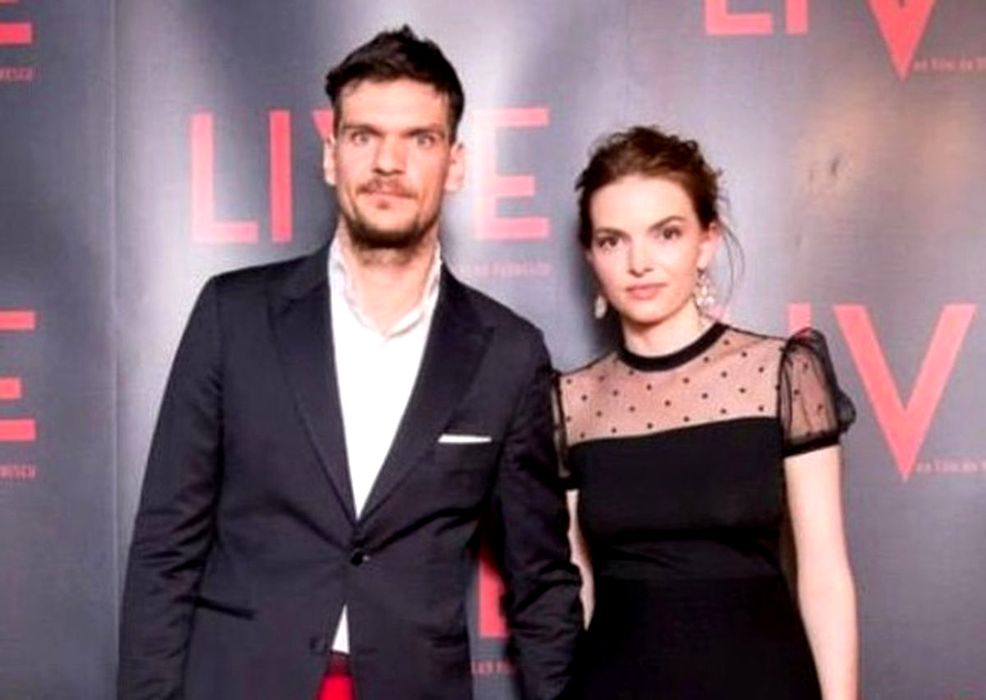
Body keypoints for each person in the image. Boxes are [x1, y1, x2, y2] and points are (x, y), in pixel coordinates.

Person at [118, 26, 582, 700]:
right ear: (331, 156)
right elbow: (166, 548)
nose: (388, 163)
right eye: (365, 136)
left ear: (455, 164)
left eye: (419, 139)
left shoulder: (507, 354)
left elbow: (540, 582)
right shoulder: (233, 317)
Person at [556, 126, 858, 699]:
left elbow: (824, 574)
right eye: (613, 241)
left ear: (706, 242)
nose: (639, 262)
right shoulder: (569, 402)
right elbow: (578, 592)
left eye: (666, 233)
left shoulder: (781, 373)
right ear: (591, 256)